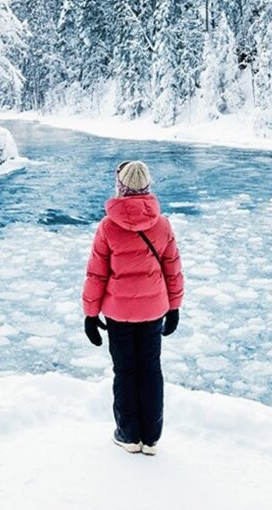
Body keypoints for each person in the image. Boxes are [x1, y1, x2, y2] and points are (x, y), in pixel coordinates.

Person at [82, 160, 184, 456]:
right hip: (153, 310)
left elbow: (96, 273)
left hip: (118, 314)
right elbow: (173, 270)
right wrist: (174, 307)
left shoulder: (108, 226)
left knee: (125, 372)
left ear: (121, 188)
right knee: (151, 370)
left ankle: (128, 436)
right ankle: (151, 439)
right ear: (147, 187)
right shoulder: (162, 225)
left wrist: (90, 314)